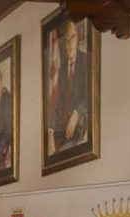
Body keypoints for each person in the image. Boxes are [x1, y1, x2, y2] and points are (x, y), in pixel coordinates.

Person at [48, 20, 89, 156]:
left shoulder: (86, 61)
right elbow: (56, 104)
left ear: (79, 38)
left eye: (72, 38)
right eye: (66, 40)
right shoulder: (63, 69)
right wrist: (50, 132)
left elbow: (91, 94)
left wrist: (77, 113)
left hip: (79, 129)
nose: (68, 44)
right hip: (61, 133)